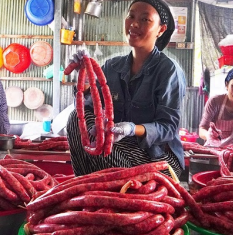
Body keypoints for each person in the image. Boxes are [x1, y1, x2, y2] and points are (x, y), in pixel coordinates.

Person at [66, 0, 186, 177]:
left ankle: (102, 190)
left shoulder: (168, 70)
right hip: (120, 148)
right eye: (131, 16)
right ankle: (84, 186)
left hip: (158, 156)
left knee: (106, 151)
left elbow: (167, 128)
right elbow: (89, 108)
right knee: (76, 118)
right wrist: (82, 73)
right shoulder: (112, 66)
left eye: (145, 19)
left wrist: (131, 129)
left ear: (161, 30)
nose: (134, 24)